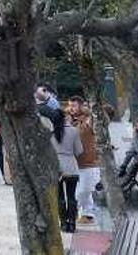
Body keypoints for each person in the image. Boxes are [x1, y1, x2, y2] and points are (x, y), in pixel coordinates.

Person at [69, 97, 99, 226]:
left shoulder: (88, 121)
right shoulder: (72, 121)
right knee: (84, 191)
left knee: (82, 191)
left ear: (82, 106)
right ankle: (88, 215)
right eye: (70, 105)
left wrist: (90, 111)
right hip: (76, 162)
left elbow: (100, 120)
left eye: (74, 106)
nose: (71, 108)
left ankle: (73, 211)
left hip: (89, 162)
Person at [51, 110, 82, 233]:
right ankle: (72, 223)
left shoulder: (51, 133)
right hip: (70, 166)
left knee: (60, 197)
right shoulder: (73, 131)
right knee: (71, 196)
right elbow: (79, 150)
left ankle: (63, 223)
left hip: (56, 167)